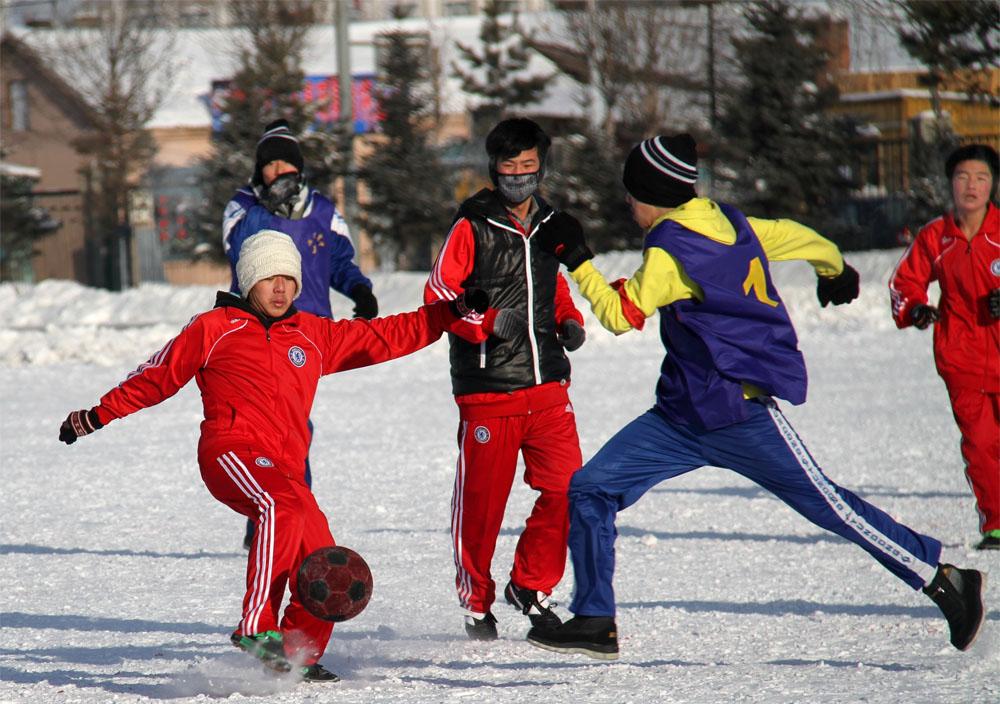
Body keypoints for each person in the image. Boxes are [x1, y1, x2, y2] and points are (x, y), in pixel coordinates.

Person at [525, 134, 987, 660]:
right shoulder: (729, 222)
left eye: (632, 193)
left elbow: (617, 315)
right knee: (592, 488)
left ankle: (942, 577)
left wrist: (577, 257)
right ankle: (593, 618)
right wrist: (833, 266)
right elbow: (793, 235)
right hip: (679, 415)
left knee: (829, 505)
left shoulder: (672, 251)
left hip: (738, 412)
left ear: (653, 193)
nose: (628, 204)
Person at [59, 229, 489, 680]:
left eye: (288, 278)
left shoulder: (310, 334)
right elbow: (156, 377)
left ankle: (296, 652)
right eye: (269, 278)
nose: (280, 287)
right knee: (279, 506)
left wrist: (450, 312)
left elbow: (384, 335)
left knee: (321, 549)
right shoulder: (213, 328)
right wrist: (96, 415)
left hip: (283, 467)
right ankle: (257, 628)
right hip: (230, 450)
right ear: (249, 281)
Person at [423, 117, 587, 640]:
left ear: (542, 167)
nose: (519, 175)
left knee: (570, 489)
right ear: (493, 168)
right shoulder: (471, 224)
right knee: (482, 506)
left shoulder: (551, 225)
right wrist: (488, 322)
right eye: (509, 166)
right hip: (489, 389)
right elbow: (440, 295)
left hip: (547, 387)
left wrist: (569, 319)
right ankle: (476, 601)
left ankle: (531, 585)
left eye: (528, 166)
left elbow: (552, 284)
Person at [223, 119, 378, 548]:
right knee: (274, 426)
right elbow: (240, 253)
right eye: (269, 164)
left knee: (290, 427)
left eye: (284, 163)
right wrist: (269, 208)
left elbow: (340, 261)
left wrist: (360, 290)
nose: (277, 171)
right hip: (255, 330)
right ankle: (279, 512)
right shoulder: (241, 207)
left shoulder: (324, 211)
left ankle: (280, 512)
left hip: (305, 335)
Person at [890, 143, 1000, 551]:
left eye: (981, 177)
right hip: (961, 358)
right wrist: (916, 309)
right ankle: (996, 524)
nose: (971, 186)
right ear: (950, 183)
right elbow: (905, 283)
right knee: (981, 443)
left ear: (993, 185)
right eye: (963, 177)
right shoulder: (936, 236)